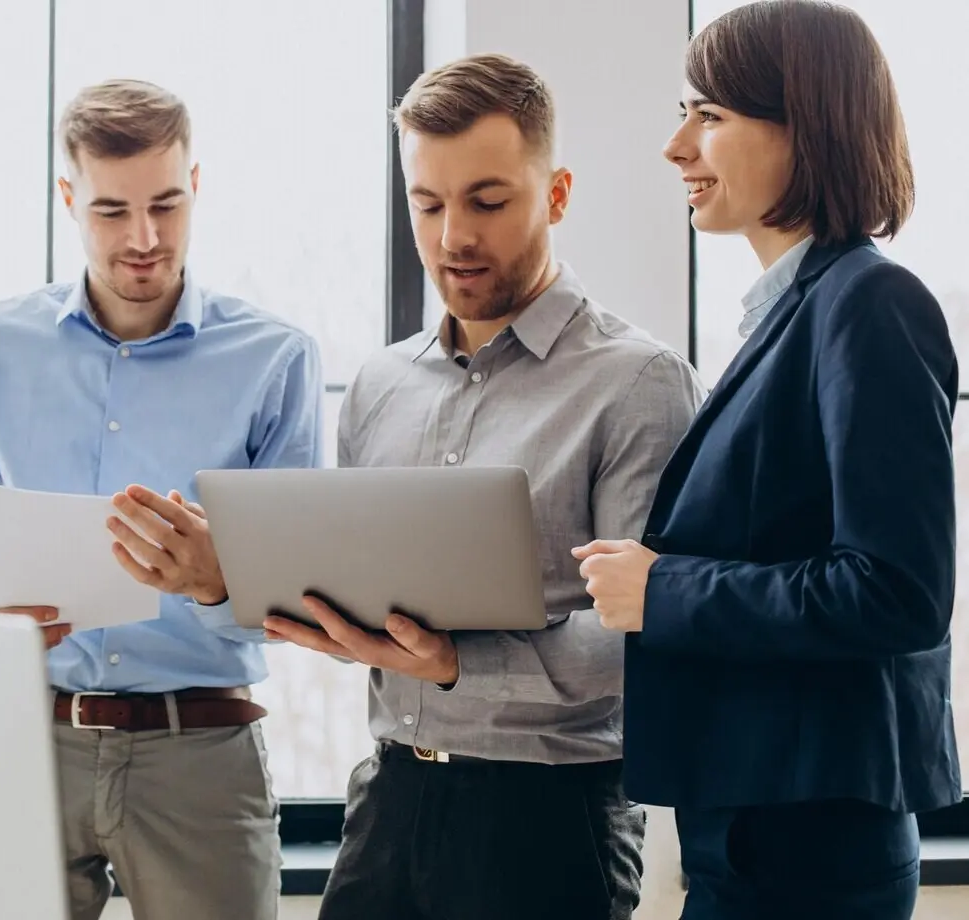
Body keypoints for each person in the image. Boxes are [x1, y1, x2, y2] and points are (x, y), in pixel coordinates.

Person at [252, 53, 708, 919]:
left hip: (550, 817)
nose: (454, 234)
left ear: (558, 195)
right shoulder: (380, 385)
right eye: (428, 203)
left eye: (488, 201)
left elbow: (653, 641)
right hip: (388, 800)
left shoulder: (638, 383)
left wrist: (462, 664)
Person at [0, 78, 322, 920]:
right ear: (67, 197)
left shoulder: (277, 360)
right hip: (20, 738)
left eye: (165, 203)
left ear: (197, 185)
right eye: (111, 212)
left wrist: (218, 581)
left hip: (201, 748)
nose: (144, 239)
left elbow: (298, 595)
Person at [575, 3, 962, 918]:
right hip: (755, 832)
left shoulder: (870, 304)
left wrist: (661, 591)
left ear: (809, 124)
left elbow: (896, 591)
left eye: (709, 116)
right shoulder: (798, 312)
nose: (677, 147)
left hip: (811, 845)